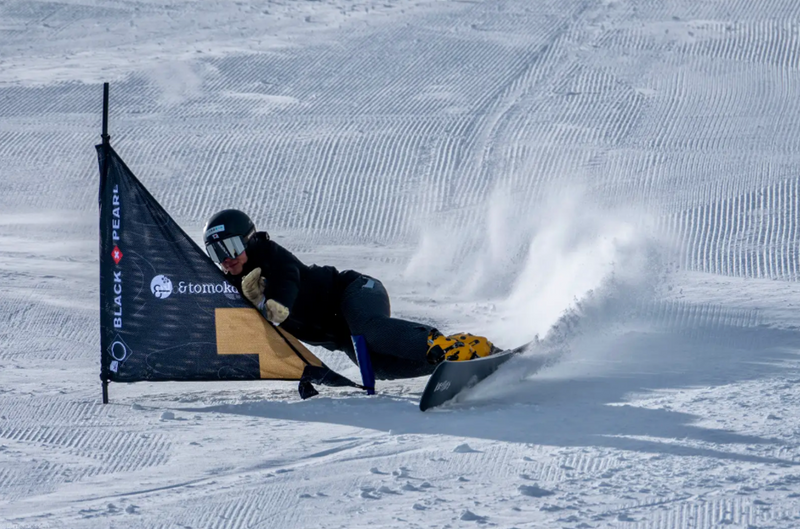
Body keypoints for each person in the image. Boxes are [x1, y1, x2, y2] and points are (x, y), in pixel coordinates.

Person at [202, 209, 497, 380]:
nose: (225, 259)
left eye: (230, 247)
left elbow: (287, 282)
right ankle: (450, 358)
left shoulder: (271, 256)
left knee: (368, 330)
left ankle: (443, 343)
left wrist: (270, 304)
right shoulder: (234, 286)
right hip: (342, 333)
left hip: (355, 292)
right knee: (379, 367)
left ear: (249, 241)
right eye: (216, 253)